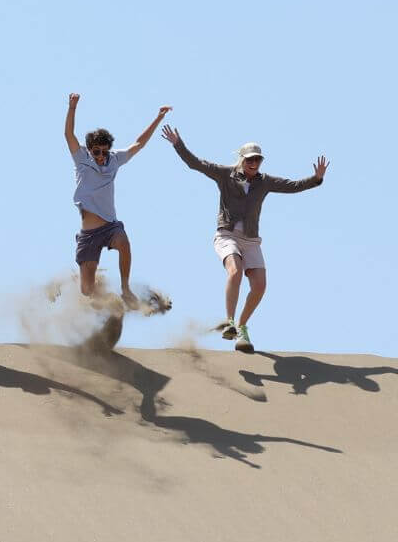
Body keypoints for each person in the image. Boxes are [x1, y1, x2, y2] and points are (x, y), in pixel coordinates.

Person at [162, 125, 328, 353]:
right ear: (242, 159)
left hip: (251, 239)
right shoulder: (225, 174)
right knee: (235, 270)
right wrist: (178, 144)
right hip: (226, 234)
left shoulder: (265, 181)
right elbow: (196, 164)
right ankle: (229, 322)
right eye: (250, 159)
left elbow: (293, 186)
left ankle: (242, 326)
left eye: (258, 159)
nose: (254, 163)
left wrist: (316, 179)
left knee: (259, 286)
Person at [65, 95, 171, 304]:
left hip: (110, 226)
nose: (101, 156)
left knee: (123, 241)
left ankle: (125, 289)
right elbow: (68, 134)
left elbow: (138, 144)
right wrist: (72, 107)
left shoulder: (114, 160)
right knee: (87, 291)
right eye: (97, 151)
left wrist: (158, 118)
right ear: (90, 149)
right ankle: (106, 300)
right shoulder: (82, 159)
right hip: (89, 234)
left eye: (104, 151)